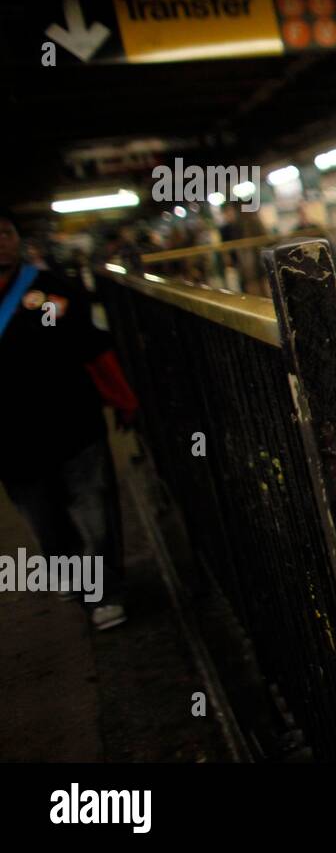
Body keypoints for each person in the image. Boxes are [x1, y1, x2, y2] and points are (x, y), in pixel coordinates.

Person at [0, 211, 137, 630]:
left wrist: (122, 398)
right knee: (46, 519)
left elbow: (90, 345)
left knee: (92, 509)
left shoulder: (53, 289)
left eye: (4, 232)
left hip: (71, 421)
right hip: (11, 439)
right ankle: (73, 576)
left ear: (18, 238)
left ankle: (102, 593)